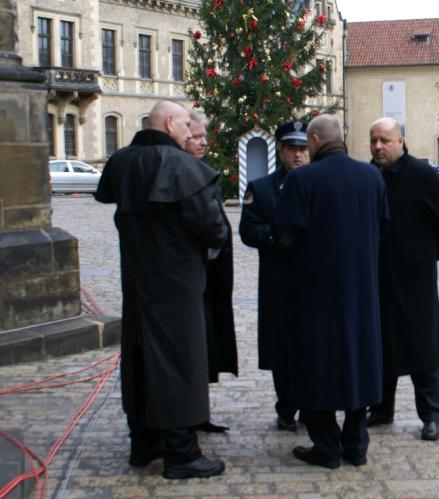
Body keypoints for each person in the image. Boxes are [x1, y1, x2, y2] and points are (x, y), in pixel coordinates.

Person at [95, 101, 227, 479]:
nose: (190, 132)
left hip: (137, 280)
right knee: (178, 363)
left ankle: (144, 443)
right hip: (177, 282)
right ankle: (181, 453)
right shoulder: (181, 167)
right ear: (169, 124)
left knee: (140, 359)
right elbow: (213, 227)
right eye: (186, 124)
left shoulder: (121, 161)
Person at [272, 114, 389, 469]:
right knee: (360, 363)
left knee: (316, 365)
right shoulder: (372, 177)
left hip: (315, 294)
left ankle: (326, 445)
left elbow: (283, 235)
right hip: (363, 290)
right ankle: (355, 445)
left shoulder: (302, 180)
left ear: (316, 141)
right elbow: (384, 226)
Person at [366, 117, 439, 442]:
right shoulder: (368, 176)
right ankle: (381, 409)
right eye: (374, 141)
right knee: (382, 344)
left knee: (423, 346)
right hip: (378, 276)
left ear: (401, 141)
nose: (378, 146)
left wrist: (437, 251)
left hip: (416, 277)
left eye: (385, 140)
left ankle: (431, 416)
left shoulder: (421, 175)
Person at [238, 120, 310, 432]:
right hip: (278, 280)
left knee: (312, 346)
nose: (298, 155)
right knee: (281, 348)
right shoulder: (262, 188)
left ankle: (312, 405)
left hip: (312, 282)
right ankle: (286, 407)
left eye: (303, 148)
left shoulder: (317, 184)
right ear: (280, 150)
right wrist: (274, 236)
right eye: (292, 148)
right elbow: (247, 230)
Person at [183, 111, 238, 434]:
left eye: (205, 137)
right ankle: (191, 415)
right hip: (193, 276)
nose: (204, 142)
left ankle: (199, 412)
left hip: (210, 277)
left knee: (206, 344)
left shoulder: (199, 171)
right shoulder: (183, 173)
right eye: (197, 136)